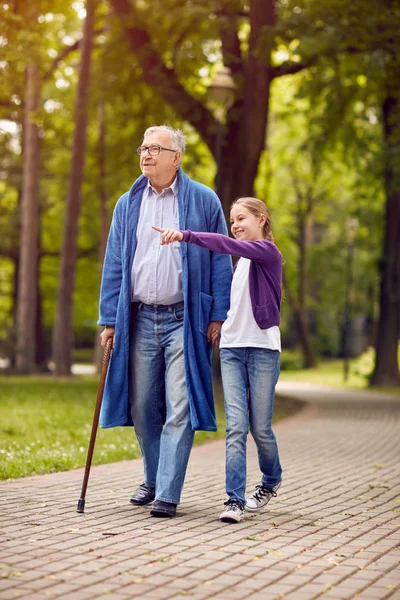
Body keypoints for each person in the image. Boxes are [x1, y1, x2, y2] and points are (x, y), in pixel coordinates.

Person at [99, 125, 232, 518]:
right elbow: (114, 264)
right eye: (143, 147)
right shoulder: (127, 203)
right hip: (140, 318)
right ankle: (154, 477)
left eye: (155, 148)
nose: (146, 154)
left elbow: (220, 260)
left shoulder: (203, 200)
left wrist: (217, 315)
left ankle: (167, 494)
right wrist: (110, 319)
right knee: (142, 407)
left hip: (183, 319)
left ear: (176, 157)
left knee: (180, 404)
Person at [153, 196, 283, 523]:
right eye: (233, 219)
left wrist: (185, 235)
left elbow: (225, 244)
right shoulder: (241, 264)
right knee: (236, 427)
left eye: (242, 218)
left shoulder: (268, 254)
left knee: (260, 428)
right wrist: (222, 326)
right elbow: (237, 302)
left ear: (262, 220)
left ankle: (270, 480)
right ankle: (234, 500)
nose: (236, 224)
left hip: (263, 350)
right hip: (232, 350)